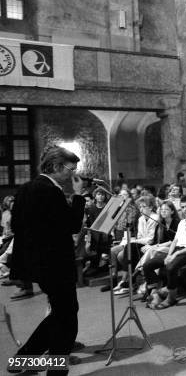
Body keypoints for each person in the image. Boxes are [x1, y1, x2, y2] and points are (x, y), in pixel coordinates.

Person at [8, 146, 86, 375]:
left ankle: (22, 360)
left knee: (62, 313)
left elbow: (16, 226)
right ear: (55, 167)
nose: (72, 175)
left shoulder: (25, 189)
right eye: (70, 170)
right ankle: (55, 371)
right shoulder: (51, 192)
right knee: (66, 318)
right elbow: (72, 225)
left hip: (38, 265)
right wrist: (79, 195)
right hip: (55, 265)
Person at [143, 196, 186, 309]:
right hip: (176, 250)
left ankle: (171, 298)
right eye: (183, 207)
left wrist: (175, 255)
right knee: (148, 265)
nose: (185, 209)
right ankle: (156, 292)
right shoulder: (181, 223)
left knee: (171, 267)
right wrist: (170, 254)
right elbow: (175, 241)